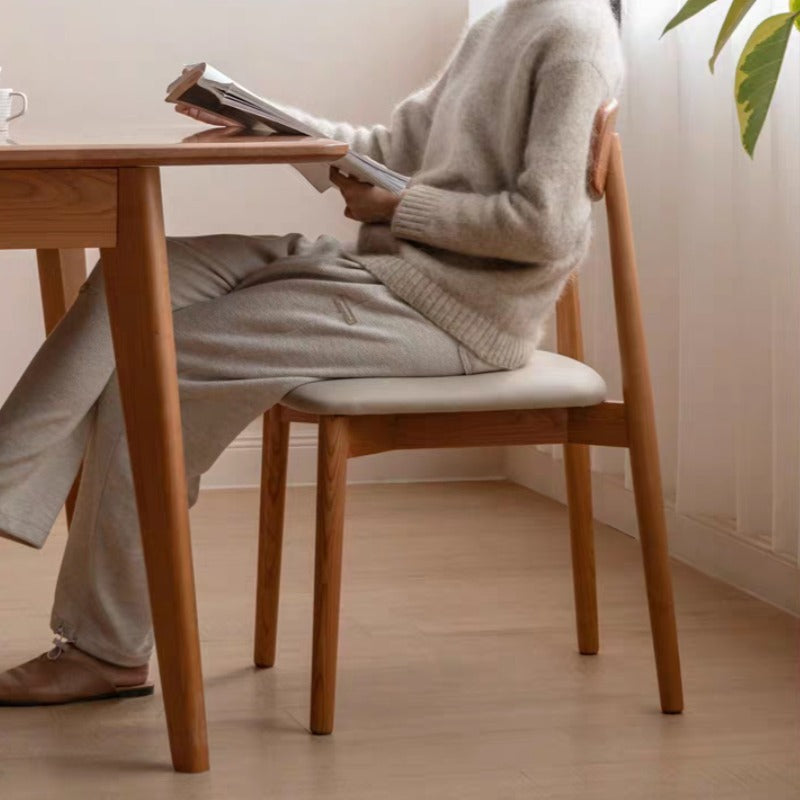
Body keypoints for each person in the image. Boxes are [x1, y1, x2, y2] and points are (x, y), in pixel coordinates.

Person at [0, 0, 623, 705]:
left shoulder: (573, 37)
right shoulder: (499, 23)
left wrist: (400, 209)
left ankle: (103, 650)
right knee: (136, 273)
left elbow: (546, 228)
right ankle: (8, 476)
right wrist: (267, 122)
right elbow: (390, 150)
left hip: (454, 312)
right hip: (384, 273)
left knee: (157, 358)